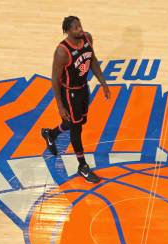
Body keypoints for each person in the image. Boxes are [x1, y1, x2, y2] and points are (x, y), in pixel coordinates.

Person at [41, 15, 110, 183]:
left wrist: (103, 82)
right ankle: (82, 166)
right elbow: (55, 79)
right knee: (76, 129)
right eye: (76, 28)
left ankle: (50, 133)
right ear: (68, 32)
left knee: (75, 122)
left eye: (80, 26)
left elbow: (92, 60)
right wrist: (60, 104)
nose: (80, 30)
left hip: (83, 89)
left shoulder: (87, 38)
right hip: (69, 93)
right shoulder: (62, 51)